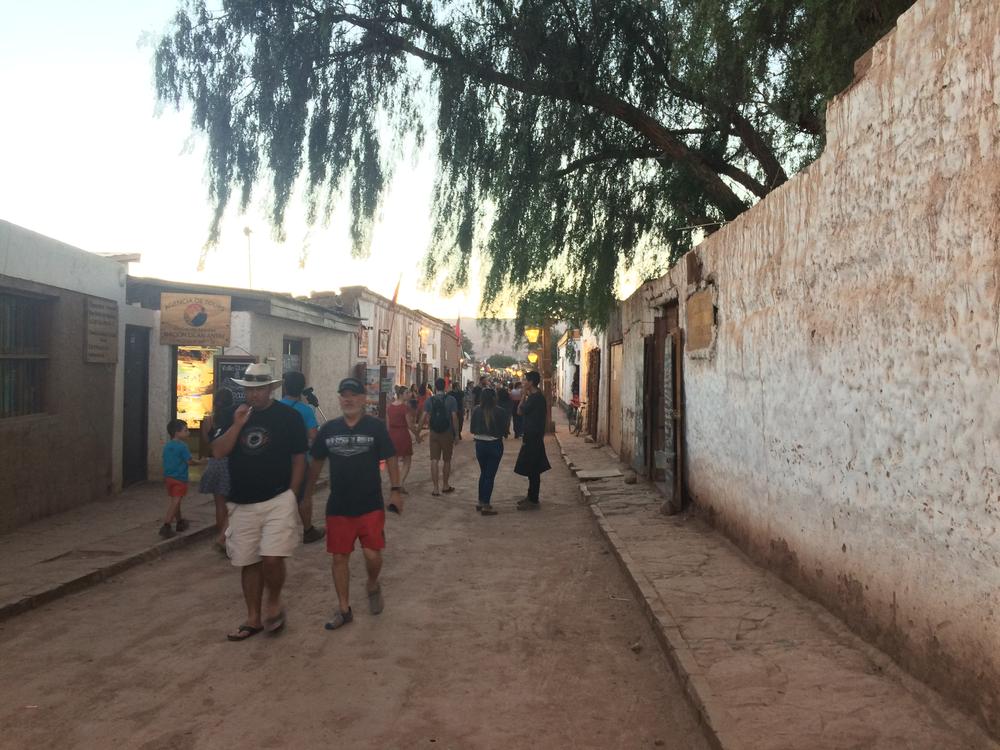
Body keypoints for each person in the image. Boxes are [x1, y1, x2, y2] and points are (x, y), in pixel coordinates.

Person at [212, 362, 307, 641]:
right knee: (248, 561)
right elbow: (218, 452)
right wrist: (238, 424)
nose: (254, 395)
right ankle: (253, 618)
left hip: (278, 498)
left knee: (272, 558)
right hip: (241, 502)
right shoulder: (232, 415)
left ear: (271, 389)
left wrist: (292, 493)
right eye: (250, 389)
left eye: (260, 389)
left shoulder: (288, 417)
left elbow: (299, 458)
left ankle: (274, 601)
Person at [303, 377, 402, 630]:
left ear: (362, 399)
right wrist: (307, 492)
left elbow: (390, 456)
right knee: (339, 557)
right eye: (344, 395)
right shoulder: (329, 429)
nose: (348, 399)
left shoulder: (375, 427)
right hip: (339, 506)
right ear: (339, 399)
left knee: (372, 555)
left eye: (353, 395)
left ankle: (372, 583)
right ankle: (344, 608)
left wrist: (395, 490)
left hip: (370, 503)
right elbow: (315, 462)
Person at [280, 371, 325, 544]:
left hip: (277, 460)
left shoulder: (276, 406)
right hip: (299, 460)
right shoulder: (305, 410)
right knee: (304, 496)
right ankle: (308, 530)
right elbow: (313, 435)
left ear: (285, 386)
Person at [199, 389, 234, 551]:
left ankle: (221, 535)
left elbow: (207, 441)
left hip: (213, 462)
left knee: (219, 504)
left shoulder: (209, 420)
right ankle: (226, 538)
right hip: (228, 462)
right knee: (232, 505)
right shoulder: (233, 419)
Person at [513, 371, 551, 510]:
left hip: (533, 437)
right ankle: (531, 496)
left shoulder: (535, 398)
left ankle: (533, 499)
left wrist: (523, 397)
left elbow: (520, 411)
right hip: (533, 435)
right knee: (531, 468)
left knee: (533, 468)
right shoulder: (536, 397)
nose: (523, 383)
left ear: (531, 382)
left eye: (525, 380)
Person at [470, 388, 510, 516]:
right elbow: (505, 430)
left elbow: (472, 429)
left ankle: (481, 501)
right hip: (494, 445)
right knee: (489, 475)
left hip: (480, 445)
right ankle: (486, 505)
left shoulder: (476, 410)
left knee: (484, 473)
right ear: (494, 398)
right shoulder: (500, 412)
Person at [420, 377, 459, 496]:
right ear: (445, 386)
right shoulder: (451, 400)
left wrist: (418, 431)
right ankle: (445, 485)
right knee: (447, 460)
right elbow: (454, 417)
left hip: (434, 433)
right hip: (447, 433)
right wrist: (456, 434)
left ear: (435, 387)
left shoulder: (429, 400)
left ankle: (435, 488)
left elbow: (423, 416)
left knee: (434, 460)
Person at [160, 419, 199, 538]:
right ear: (177, 433)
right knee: (176, 501)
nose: (188, 433)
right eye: (186, 430)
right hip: (179, 478)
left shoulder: (167, 446)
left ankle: (180, 521)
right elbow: (189, 461)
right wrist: (201, 462)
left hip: (169, 478)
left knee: (176, 501)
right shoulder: (183, 446)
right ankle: (166, 525)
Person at [386, 385, 418, 493]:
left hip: (392, 434)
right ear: (401, 395)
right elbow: (409, 424)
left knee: (393, 460)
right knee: (407, 460)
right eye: (407, 393)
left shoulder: (390, 407)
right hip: (402, 434)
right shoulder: (405, 408)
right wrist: (416, 434)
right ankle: (400, 483)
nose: (409, 394)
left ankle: (395, 483)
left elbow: (387, 423)